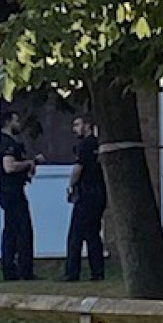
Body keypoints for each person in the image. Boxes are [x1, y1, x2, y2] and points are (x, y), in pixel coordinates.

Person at [0, 109, 44, 281]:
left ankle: (13, 269)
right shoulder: (6, 144)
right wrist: (28, 163)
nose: (19, 124)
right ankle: (23, 270)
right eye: (16, 120)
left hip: (14, 189)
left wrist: (31, 165)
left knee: (12, 230)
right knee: (21, 230)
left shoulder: (14, 143)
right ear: (8, 122)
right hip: (11, 191)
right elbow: (9, 167)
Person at [63, 113, 107, 282]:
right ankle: (97, 271)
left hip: (86, 193)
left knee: (75, 234)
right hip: (99, 193)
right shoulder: (97, 144)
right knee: (93, 234)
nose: (75, 129)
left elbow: (77, 169)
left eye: (77, 125)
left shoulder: (85, 145)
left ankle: (72, 272)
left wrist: (71, 186)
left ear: (87, 125)